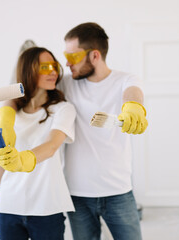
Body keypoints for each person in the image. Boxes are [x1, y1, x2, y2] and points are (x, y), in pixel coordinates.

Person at [57, 22, 148, 240]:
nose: (67, 63)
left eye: (73, 57)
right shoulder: (66, 84)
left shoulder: (126, 80)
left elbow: (133, 94)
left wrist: (133, 109)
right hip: (77, 194)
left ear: (95, 55)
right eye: (66, 56)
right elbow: (28, 90)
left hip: (118, 191)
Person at [0, 47, 76, 240]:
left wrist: (22, 160)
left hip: (46, 207)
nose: (52, 71)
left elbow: (52, 146)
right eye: (44, 67)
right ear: (28, 70)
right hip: (8, 205)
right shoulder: (11, 113)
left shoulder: (63, 109)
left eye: (54, 66)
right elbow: (3, 160)